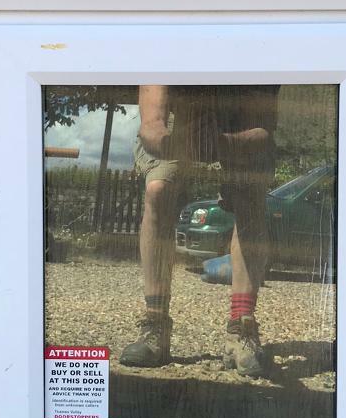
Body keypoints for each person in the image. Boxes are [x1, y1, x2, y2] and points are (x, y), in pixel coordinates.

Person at [119, 84, 279, 378]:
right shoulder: (167, 49)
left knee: (251, 197)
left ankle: (241, 329)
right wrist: (174, 142)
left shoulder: (254, 54)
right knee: (158, 191)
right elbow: (152, 127)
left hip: (240, 118)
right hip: (179, 117)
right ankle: (155, 326)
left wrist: (223, 143)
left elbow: (262, 133)